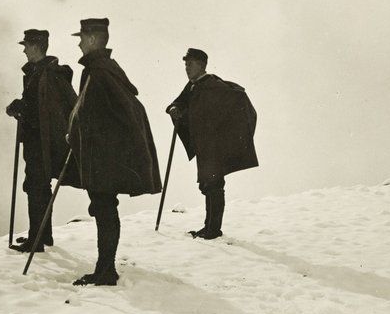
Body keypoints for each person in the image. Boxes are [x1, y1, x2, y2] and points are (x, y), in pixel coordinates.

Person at [63, 18, 162, 286]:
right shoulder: (103, 69)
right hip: (104, 155)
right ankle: (105, 268)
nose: (79, 43)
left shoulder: (99, 72)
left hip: (103, 158)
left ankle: (106, 271)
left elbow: (102, 115)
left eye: (82, 38)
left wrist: (79, 132)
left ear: (93, 39)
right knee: (104, 208)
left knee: (104, 209)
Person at [166, 48, 258, 240]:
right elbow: (180, 102)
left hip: (214, 146)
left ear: (201, 65)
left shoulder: (213, 84)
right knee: (207, 184)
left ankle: (213, 230)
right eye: (185, 64)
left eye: (190, 64)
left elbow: (236, 99)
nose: (187, 68)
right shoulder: (193, 86)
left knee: (214, 184)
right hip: (204, 146)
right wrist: (174, 108)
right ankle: (208, 227)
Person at [5, 29, 78, 253]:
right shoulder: (43, 72)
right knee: (40, 186)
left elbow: (42, 111)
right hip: (41, 141)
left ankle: (36, 240)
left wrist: (21, 108)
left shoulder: (45, 74)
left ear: (36, 47)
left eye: (26, 46)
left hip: (39, 143)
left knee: (36, 187)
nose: (24, 50)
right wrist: (21, 107)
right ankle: (43, 236)